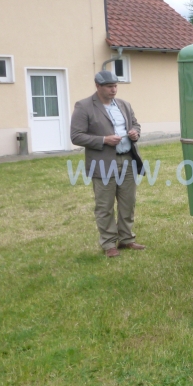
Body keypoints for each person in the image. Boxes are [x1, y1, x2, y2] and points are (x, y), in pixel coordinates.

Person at [70, 70, 146, 257]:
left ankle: (127, 239)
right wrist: (103, 140)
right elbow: (76, 136)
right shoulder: (84, 106)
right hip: (103, 162)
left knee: (128, 202)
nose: (114, 90)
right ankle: (109, 244)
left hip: (127, 159)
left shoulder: (124, 105)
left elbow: (136, 124)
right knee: (104, 206)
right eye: (109, 86)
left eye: (115, 86)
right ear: (98, 86)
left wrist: (135, 133)